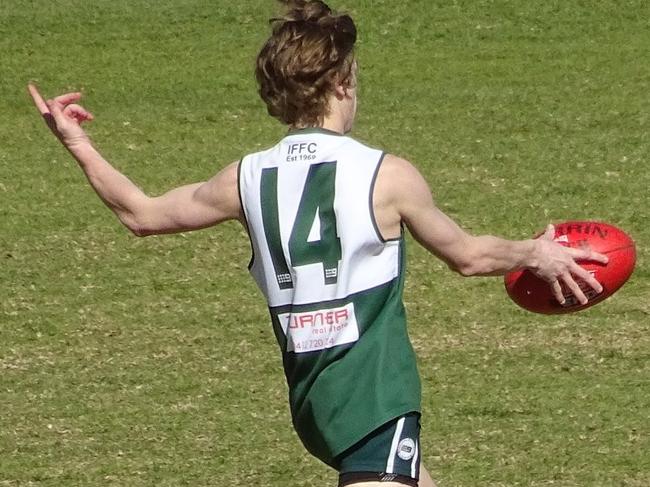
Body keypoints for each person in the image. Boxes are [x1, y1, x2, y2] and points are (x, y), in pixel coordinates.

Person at [28, 1, 607, 485]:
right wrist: (538, 253)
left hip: (315, 399)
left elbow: (142, 214)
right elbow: (470, 256)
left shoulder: (245, 178)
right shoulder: (387, 175)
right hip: (372, 396)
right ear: (342, 81)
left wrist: (76, 141)